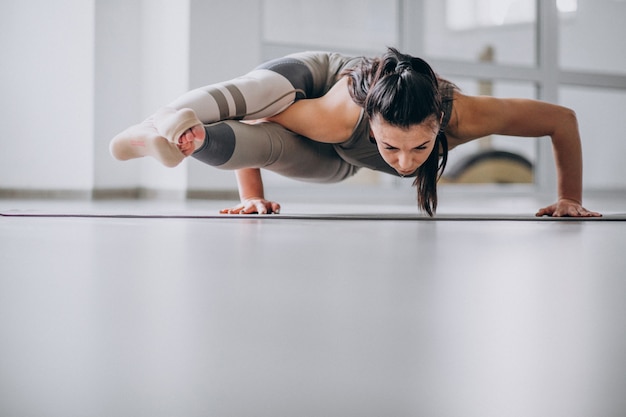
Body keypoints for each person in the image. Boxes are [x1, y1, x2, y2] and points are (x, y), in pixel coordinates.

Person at [110, 48, 601, 217]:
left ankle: (165, 125)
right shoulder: (337, 113)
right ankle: (168, 129)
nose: (406, 163)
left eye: (420, 149)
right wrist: (252, 196)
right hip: (309, 83)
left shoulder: (465, 114)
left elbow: (561, 120)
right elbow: (256, 119)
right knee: (257, 94)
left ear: (439, 128)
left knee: (279, 137)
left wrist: (569, 198)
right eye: (391, 147)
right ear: (371, 123)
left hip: (337, 162)